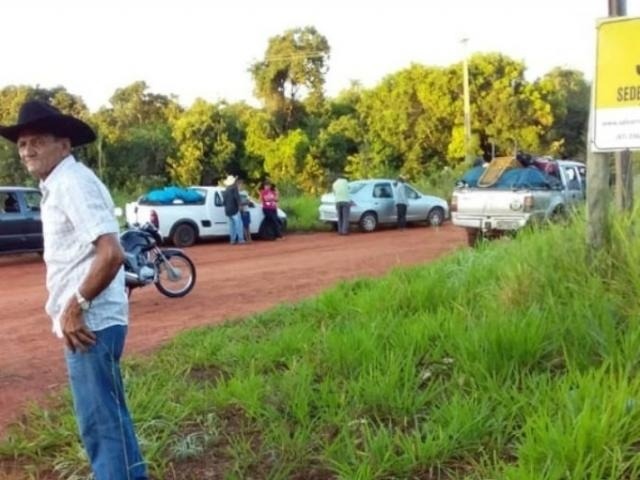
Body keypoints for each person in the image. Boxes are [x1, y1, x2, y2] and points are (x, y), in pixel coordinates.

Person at [0, 100, 147, 479]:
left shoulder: (71, 183)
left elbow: (111, 252)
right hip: (91, 322)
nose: (27, 150)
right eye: (21, 144)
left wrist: (75, 305)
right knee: (108, 420)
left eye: (37, 141)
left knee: (101, 427)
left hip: (88, 325)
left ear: (63, 145)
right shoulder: (59, 184)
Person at [222, 175, 245, 245]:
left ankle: (232, 240)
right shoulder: (234, 188)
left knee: (231, 226)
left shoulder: (226, 189)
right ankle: (241, 239)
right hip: (234, 209)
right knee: (239, 224)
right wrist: (240, 205)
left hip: (227, 210)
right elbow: (237, 198)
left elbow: (224, 201)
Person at [237, 179, 252, 243]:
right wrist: (243, 203)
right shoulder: (236, 193)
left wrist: (243, 203)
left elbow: (248, 201)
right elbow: (237, 202)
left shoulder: (245, 192)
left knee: (247, 225)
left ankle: (249, 238)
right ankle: (246, 238)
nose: (241, 186)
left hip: (246, 210)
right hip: (240, 211)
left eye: (242, 185)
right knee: (243, 225)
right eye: (239, 185)